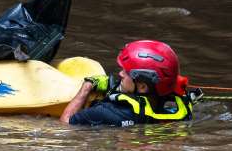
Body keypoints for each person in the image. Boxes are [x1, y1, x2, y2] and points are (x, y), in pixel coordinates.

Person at [60, 40, 200, 127]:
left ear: (143, 87)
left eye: (126, 72)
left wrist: (87, 87)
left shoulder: (106, 113)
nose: (120, 74)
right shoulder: (182, 110)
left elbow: (65, 124)